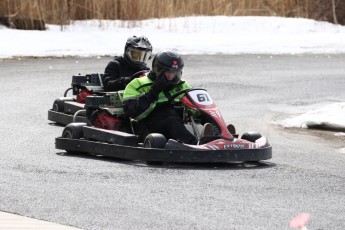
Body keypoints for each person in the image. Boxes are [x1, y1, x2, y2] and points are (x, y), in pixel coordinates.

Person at [123, 50, 202, 145]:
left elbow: (197, 110)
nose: (171, 76)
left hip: (178, 125)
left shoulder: (183, 86)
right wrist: (154, 91)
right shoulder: (138, 84)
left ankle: (216, 137)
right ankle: (194, 144)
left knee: (204, 114)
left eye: (174, 72)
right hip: (149, 128)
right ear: (158, 70)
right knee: (169, 116)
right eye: (168, 72)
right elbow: (134, 114)